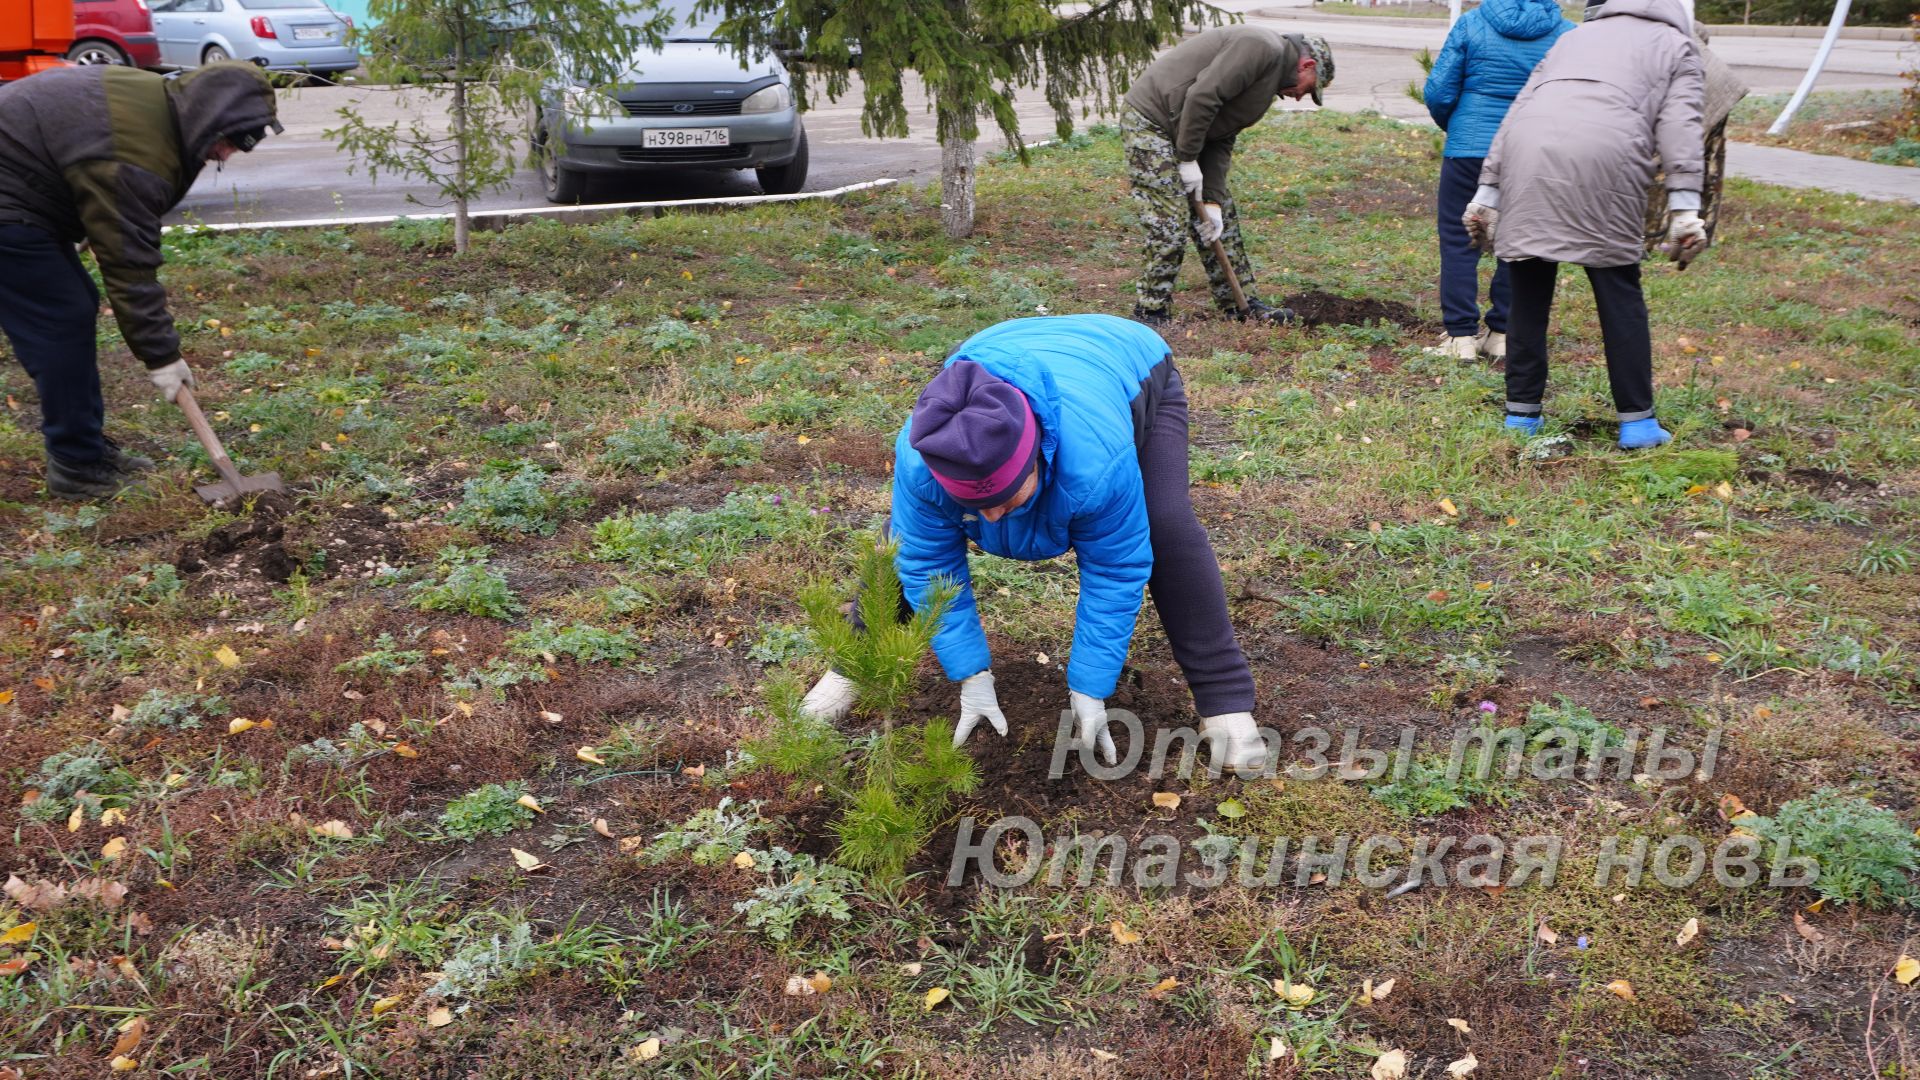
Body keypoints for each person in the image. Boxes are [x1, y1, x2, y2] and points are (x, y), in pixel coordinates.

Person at [801, 314, 1266, 773]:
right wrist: (971, 676)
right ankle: (852, 665)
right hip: (1001, 344)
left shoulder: (1094, 465)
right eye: (974, 507)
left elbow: (1116, 568)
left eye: (1004, 500)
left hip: (1129, 366)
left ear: (1037, 464)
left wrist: (1090, 688)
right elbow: (927, 560)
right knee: (906, 538)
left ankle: (1222, 695)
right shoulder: (925, 456)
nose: (989, 518)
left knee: (1164, 524)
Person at [0, 62, 283, 499]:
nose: (227, 155)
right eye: (230, 141)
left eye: (243, 147)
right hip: (10, 203)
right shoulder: (134, 156)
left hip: (23, 190)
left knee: (69, 304)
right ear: (210, 119)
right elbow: (129, 265)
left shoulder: (161, 104)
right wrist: (161, 356)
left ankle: (83, 449)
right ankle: (77, 464)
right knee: (60, 317)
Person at [1462, 0, 1706, 450]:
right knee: (1619, 293)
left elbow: (1518, 109)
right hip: (1607, 159)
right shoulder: (1676, 44)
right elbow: (1681, 124)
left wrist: (1487, 191)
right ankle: (1638, 424)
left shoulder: (1573, 37)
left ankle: (1521, 417)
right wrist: (1686, 206)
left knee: (1529, 292)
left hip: (1528, 153)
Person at [1120, 27, 1334, 328]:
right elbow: (1202, 96)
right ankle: (1150, 313)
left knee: (1220, 221)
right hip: (1152, 119)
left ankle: (1241, 305)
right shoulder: (1260, 47)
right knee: (1169, 219)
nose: (1301, 98)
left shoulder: (1268, 87)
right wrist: (1187, 158)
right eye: (1309, 89)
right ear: (1307, 66)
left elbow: (1222, 135)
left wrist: (1212, 199)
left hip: (1185, 128)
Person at [1421, 0, 1573, 362]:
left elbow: (1439, 91)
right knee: (1517, 240)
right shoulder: (1567, 34)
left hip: (1469, 147)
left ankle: (1460, 339)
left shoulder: (1472, 24)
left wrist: (1458, 127)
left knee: (1459, 240)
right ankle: (1502, 333)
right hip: (1530, 149)